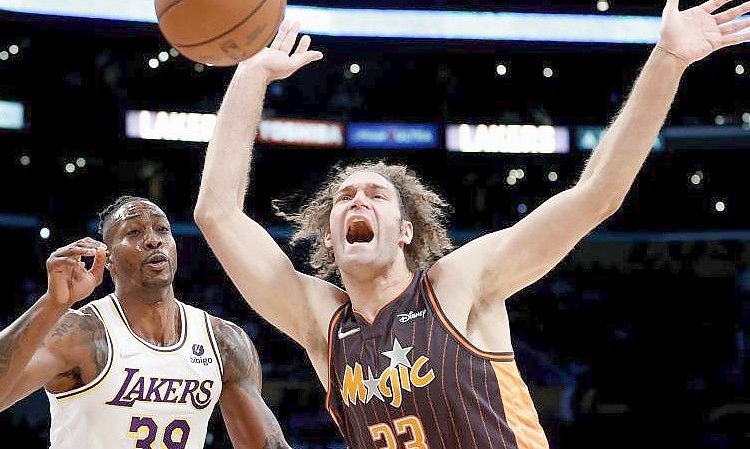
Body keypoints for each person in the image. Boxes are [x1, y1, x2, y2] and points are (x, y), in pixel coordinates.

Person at [195, 2, 750, 448]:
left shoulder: (458, 283)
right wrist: (252, 73)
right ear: (330, 234)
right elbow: (216, 213)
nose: (356, 200)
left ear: (406, 231)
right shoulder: (323, 324)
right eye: (343, 197)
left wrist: (667, 61)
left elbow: (596, 196)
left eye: (376, 195)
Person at [0, 196, 293, 449]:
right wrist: (52, 304)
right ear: (107, 257)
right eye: (133, 231)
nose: (153, 239)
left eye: (162, 229)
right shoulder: (79, 334)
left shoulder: (224, 342)